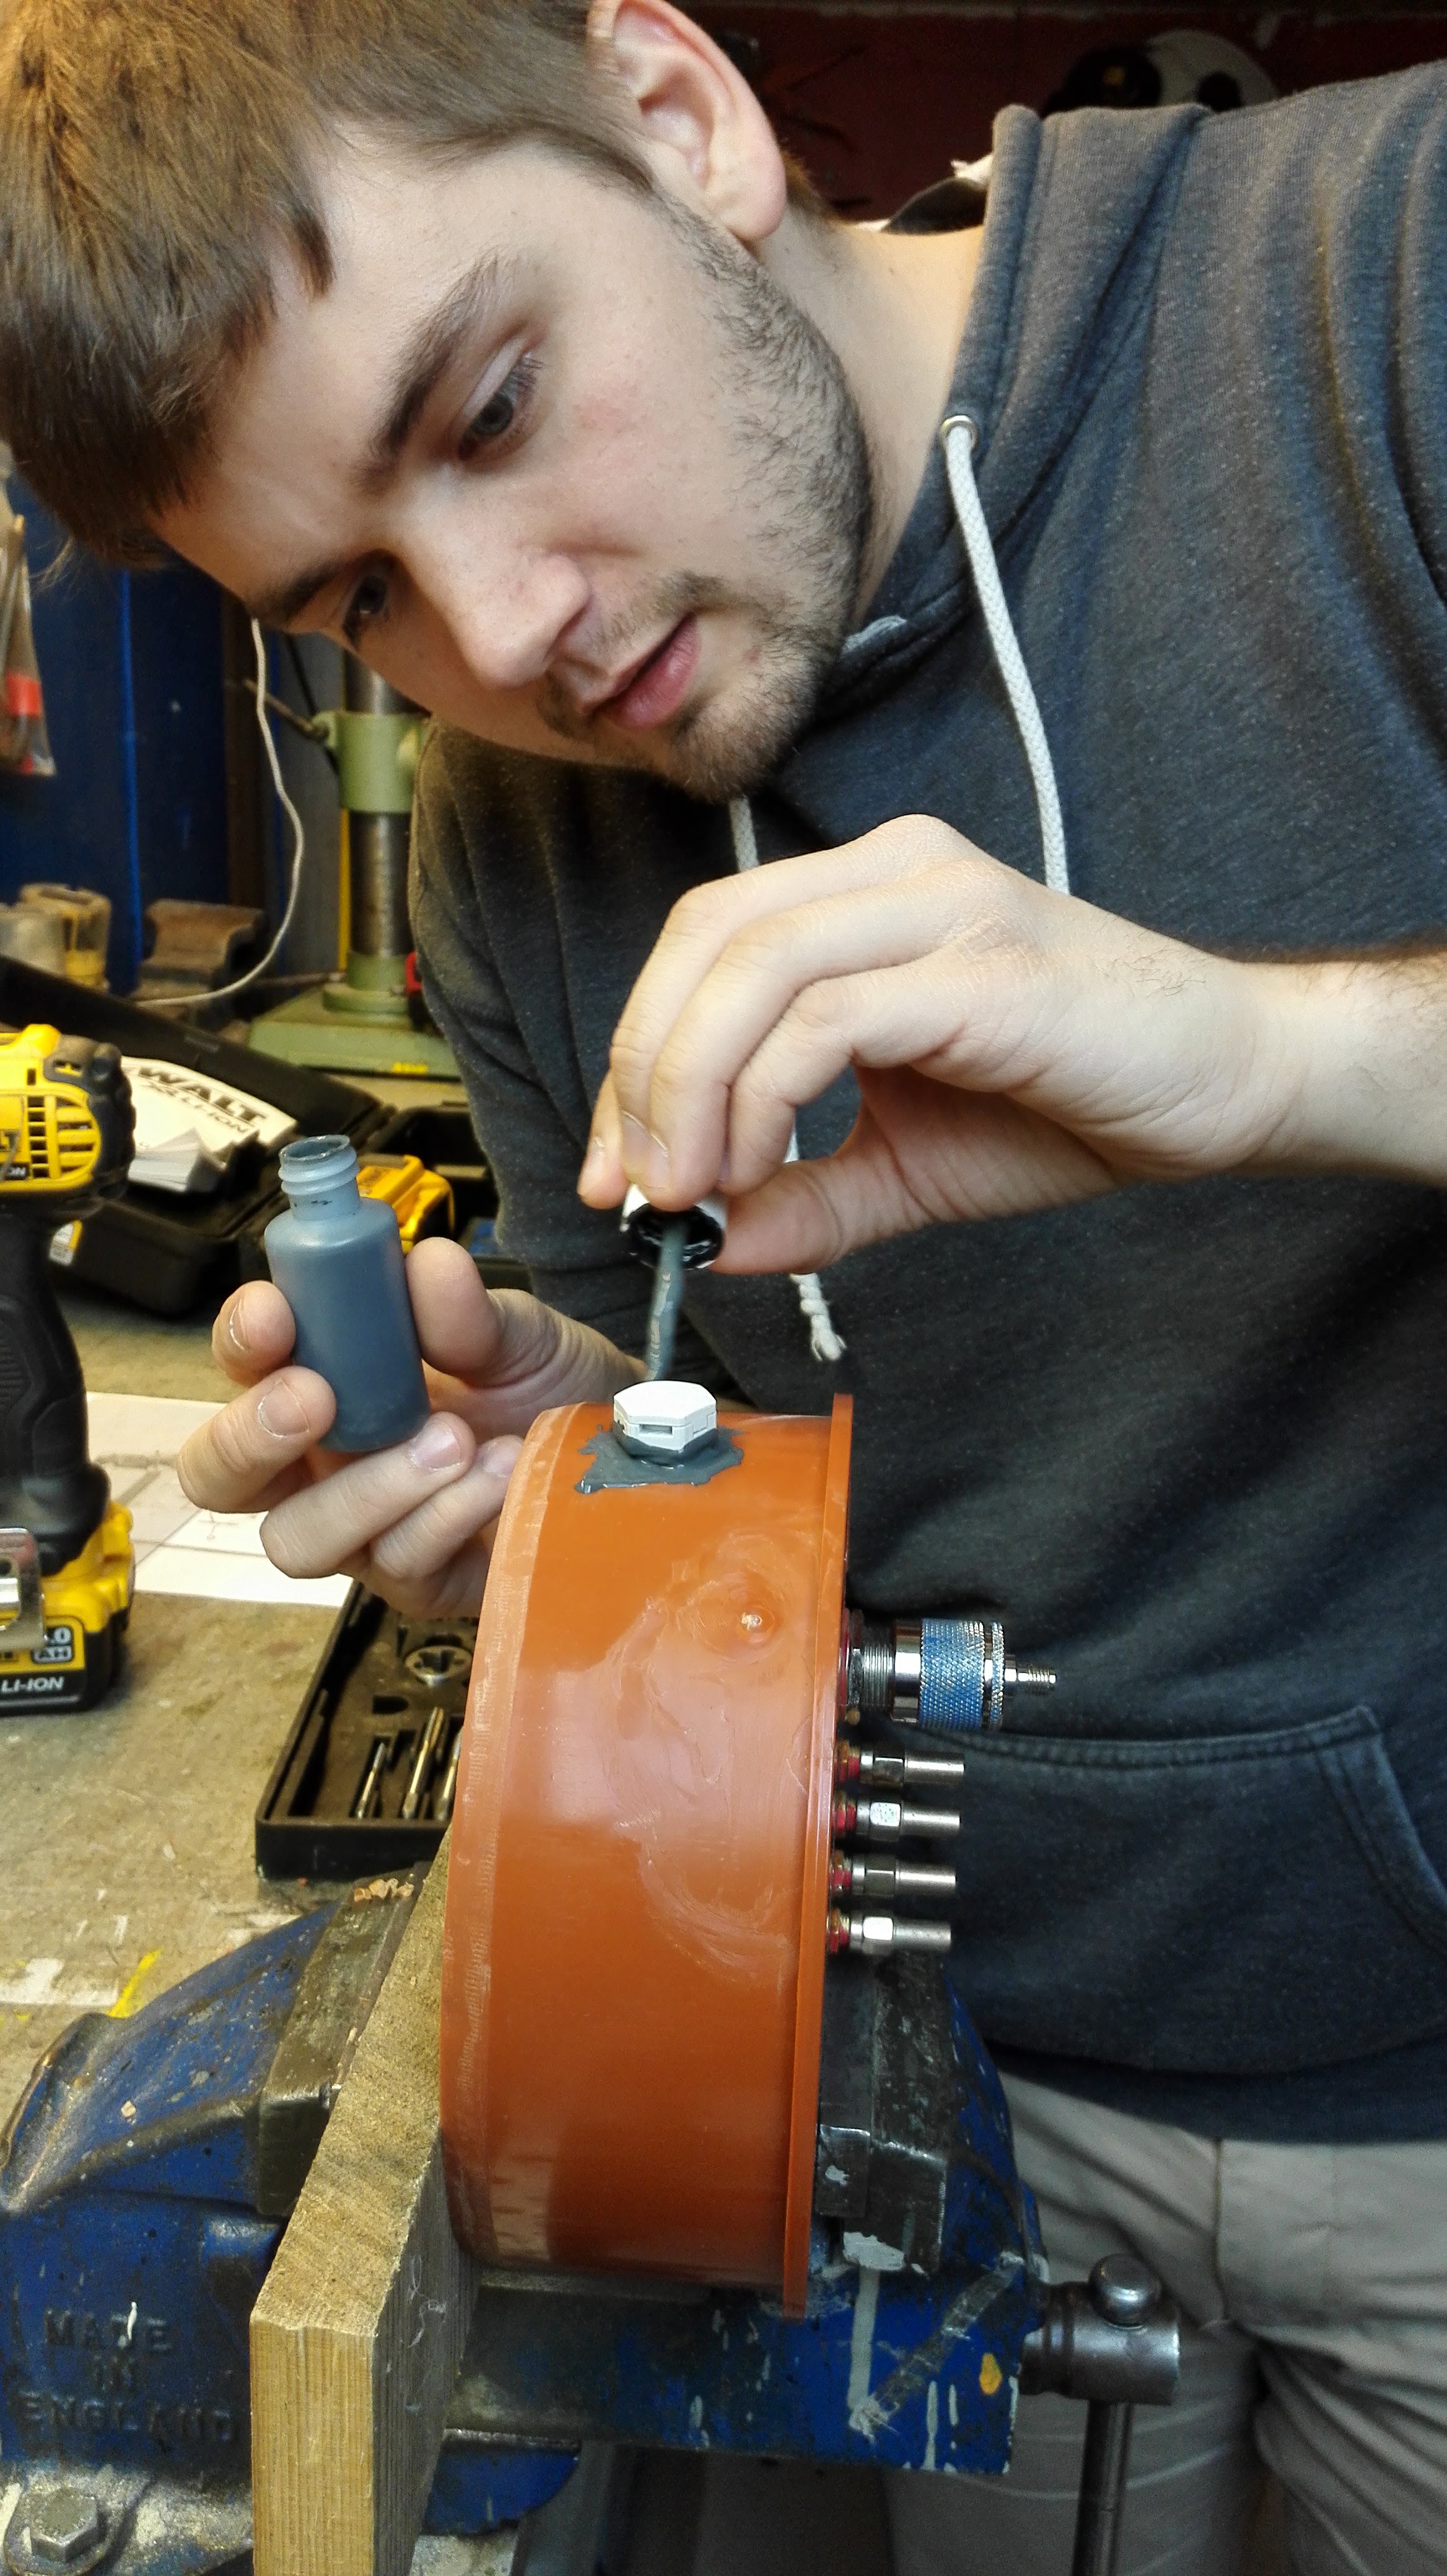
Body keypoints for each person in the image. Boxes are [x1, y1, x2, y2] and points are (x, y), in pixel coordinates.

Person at [4, 4, 1446, 2565]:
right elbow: (707, 1433)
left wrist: (1272, 1051)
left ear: (678, 119)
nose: (507, 636)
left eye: (489, 405)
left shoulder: (1382, 294)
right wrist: (560, 1493)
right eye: (358, 594)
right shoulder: (513, 833)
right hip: (961, 2101)